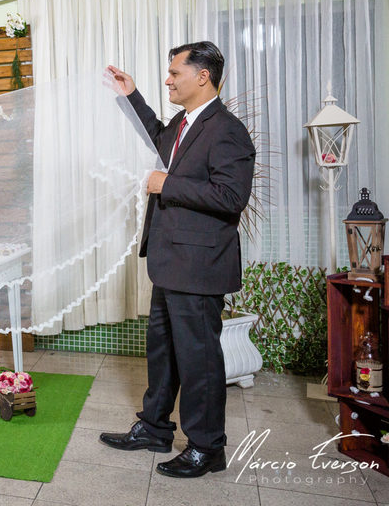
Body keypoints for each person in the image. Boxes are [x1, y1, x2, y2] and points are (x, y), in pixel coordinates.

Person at [100, 42, 255, 478]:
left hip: (200, 265)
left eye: (174, 72)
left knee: (200, 360)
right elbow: (159, 138)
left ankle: (208, 448)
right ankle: (154, 428)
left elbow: (231, 197)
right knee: (163, 352)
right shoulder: (184, 124)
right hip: (171, 261)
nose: (168, 79)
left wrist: (165, 185)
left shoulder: (227, 129)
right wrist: (132, 95)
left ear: (202, 76)